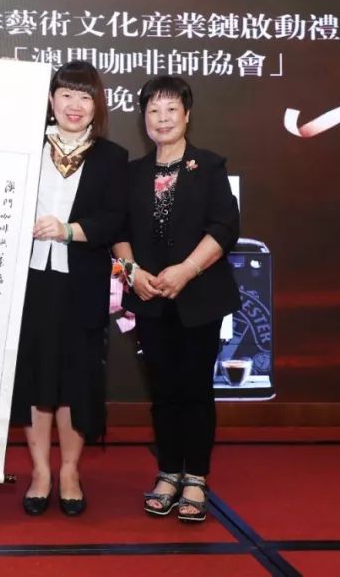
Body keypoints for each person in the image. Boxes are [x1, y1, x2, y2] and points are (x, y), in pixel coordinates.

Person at [112, 75, 240, 523]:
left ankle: (196, 478)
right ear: (143, 118)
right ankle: (168, 473)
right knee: (163, 391)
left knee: (195, 389)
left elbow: (225, 228)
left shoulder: (209, 166)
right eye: (153, 110)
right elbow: (119, 232)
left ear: (187, 115)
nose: (162, 118)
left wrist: (186, 270)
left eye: (171, 110)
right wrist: (133, 273)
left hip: (199, 297)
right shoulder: (132, 174)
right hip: (150, 298)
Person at [10, 61, 128, 517]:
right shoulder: (24, 147)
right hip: (28, 282)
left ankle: (70, 472)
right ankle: (41, 471)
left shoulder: (112, 157)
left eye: (84, 96)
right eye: (66, 94)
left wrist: (69, 230)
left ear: (96, 104)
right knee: (36, 377)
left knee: (75, 379)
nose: (74, 105)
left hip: (81, 282)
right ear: (51, 99)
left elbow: (114, 219)